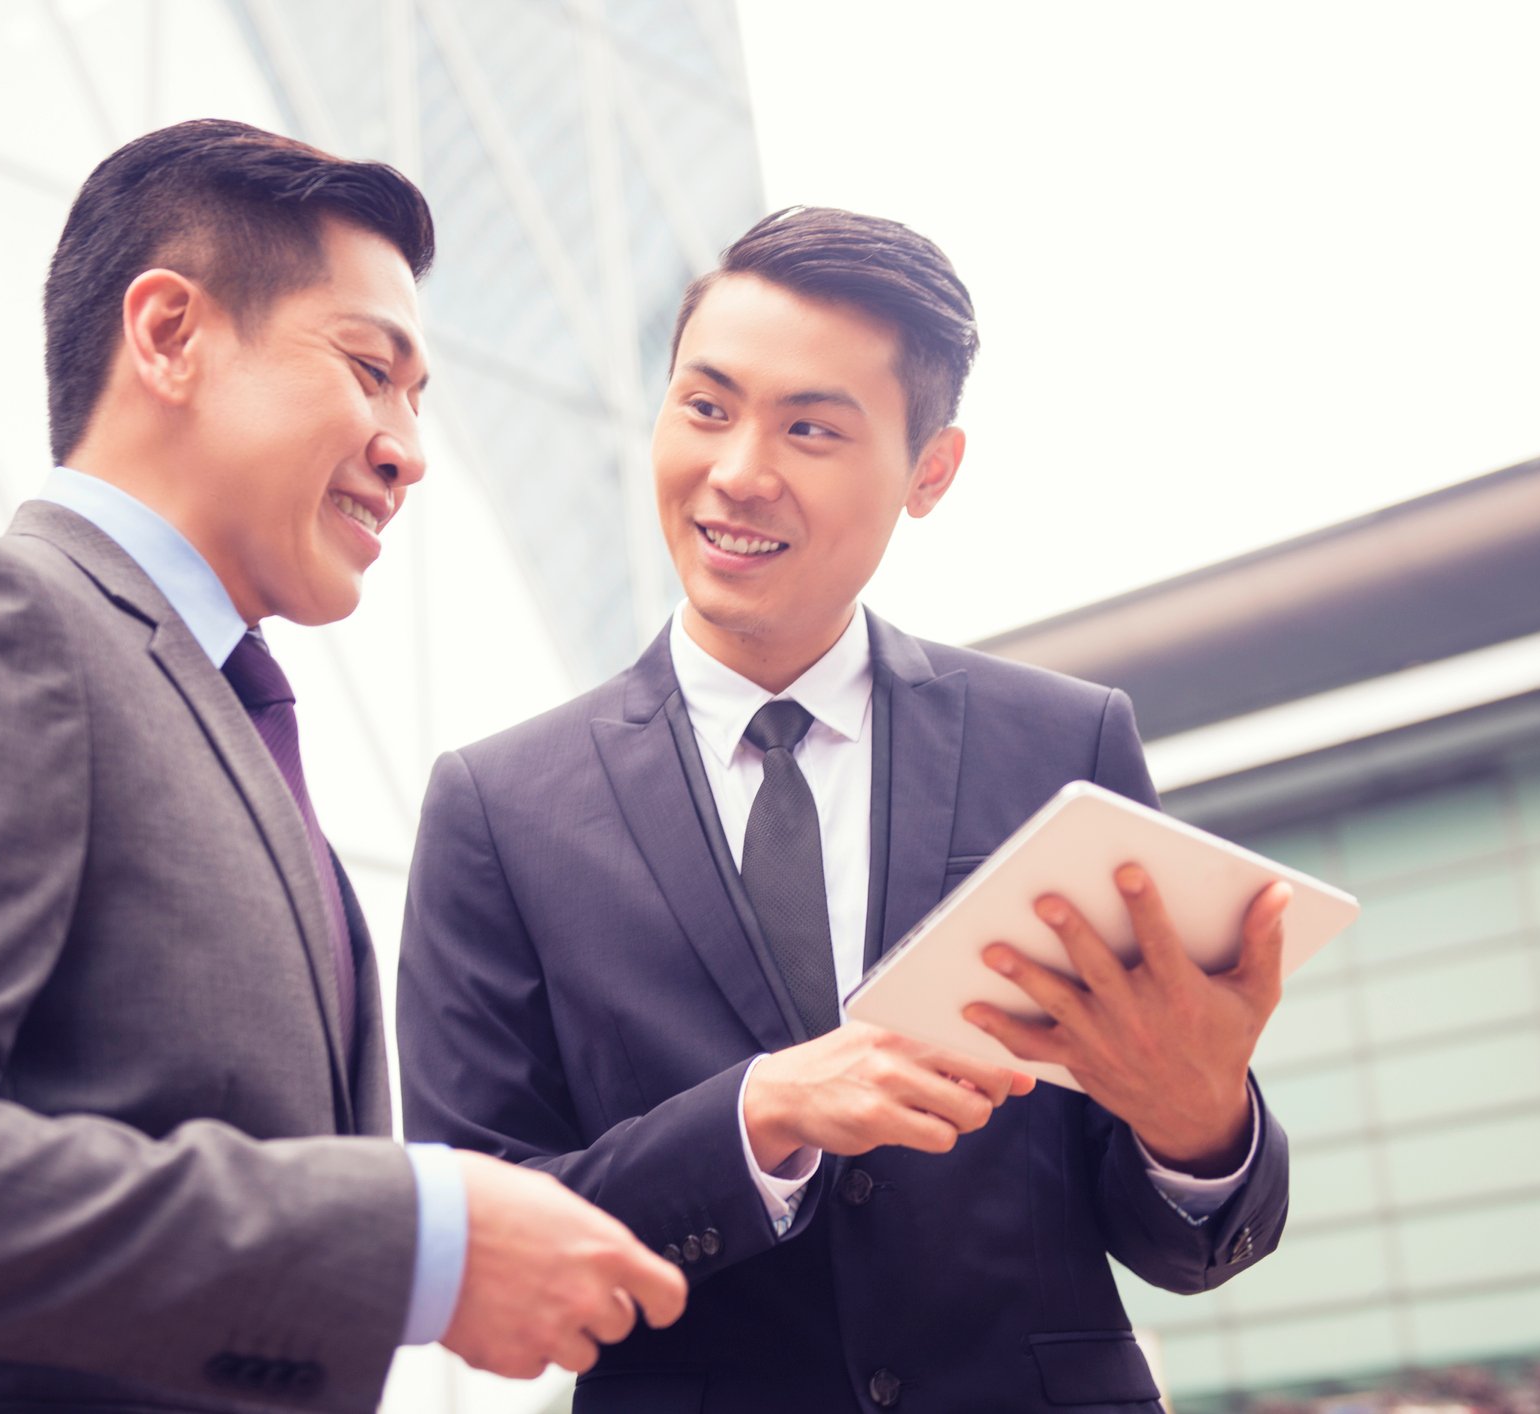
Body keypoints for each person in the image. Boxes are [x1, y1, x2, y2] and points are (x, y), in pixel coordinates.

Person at [0, 119, 683, 1414]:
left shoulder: (231, 723)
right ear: (167, 333)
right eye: (370, 368)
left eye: (417, 397)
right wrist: (413, 1237)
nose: (408, 446)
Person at [398, 206, 1292, 1413]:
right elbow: (473, 1226)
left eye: (810, 428)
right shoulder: (496, 808)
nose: (737, 472)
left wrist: (1198, 1125)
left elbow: (1187, 1241)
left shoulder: (1064, 746)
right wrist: (754, 1118)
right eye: (705, 407)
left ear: (930, 470)